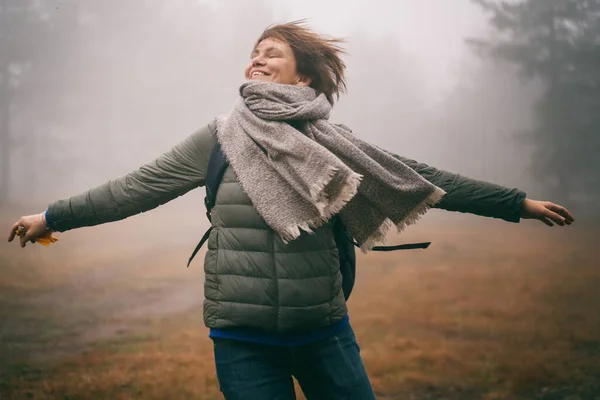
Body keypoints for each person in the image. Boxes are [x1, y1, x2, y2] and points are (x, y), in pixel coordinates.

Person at [7, 21, 574, 400]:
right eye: (253, 52)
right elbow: (136, 187)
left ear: (301, 74)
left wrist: (515, 203)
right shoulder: (220, 137)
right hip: (242, 337)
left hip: (323, 328)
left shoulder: (332, 140)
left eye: (271, 52)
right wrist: (54, 217)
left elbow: (419, 179)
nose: (256, 59)